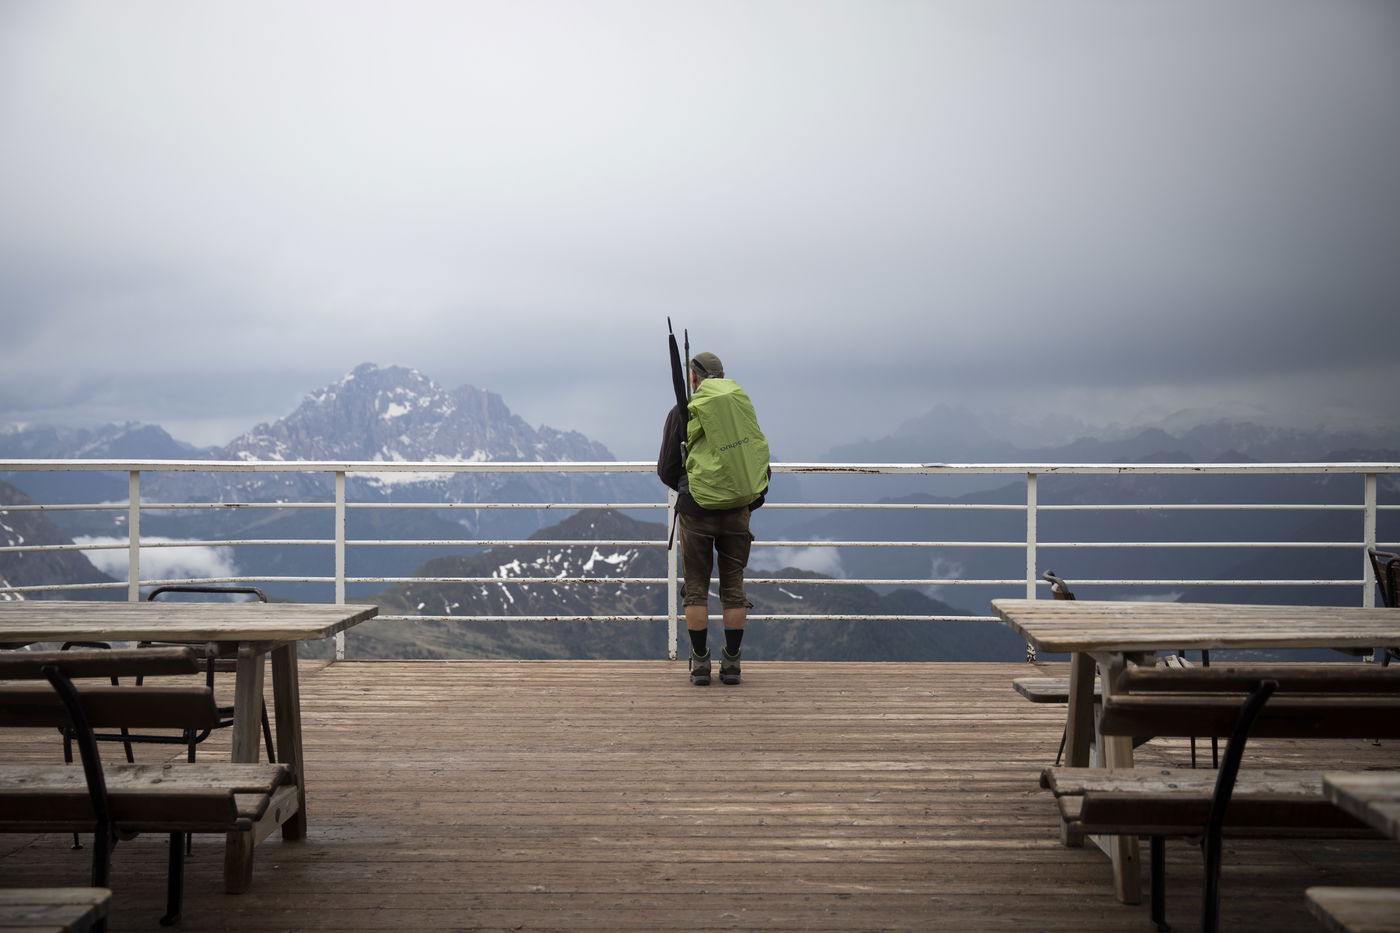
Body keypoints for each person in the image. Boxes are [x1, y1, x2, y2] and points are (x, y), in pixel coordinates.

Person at [657, 351, 769, 686]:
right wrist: (748, 501)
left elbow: (666, 470)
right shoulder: (739, 408)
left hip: (696, 511)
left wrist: (690, 485)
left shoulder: (683, 411)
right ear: (722, 376)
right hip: (738, 510)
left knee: (696, 589)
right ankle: (732, 663)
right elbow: (754, 455)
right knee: (733, 586)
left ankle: (701, 663)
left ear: (694, 378)